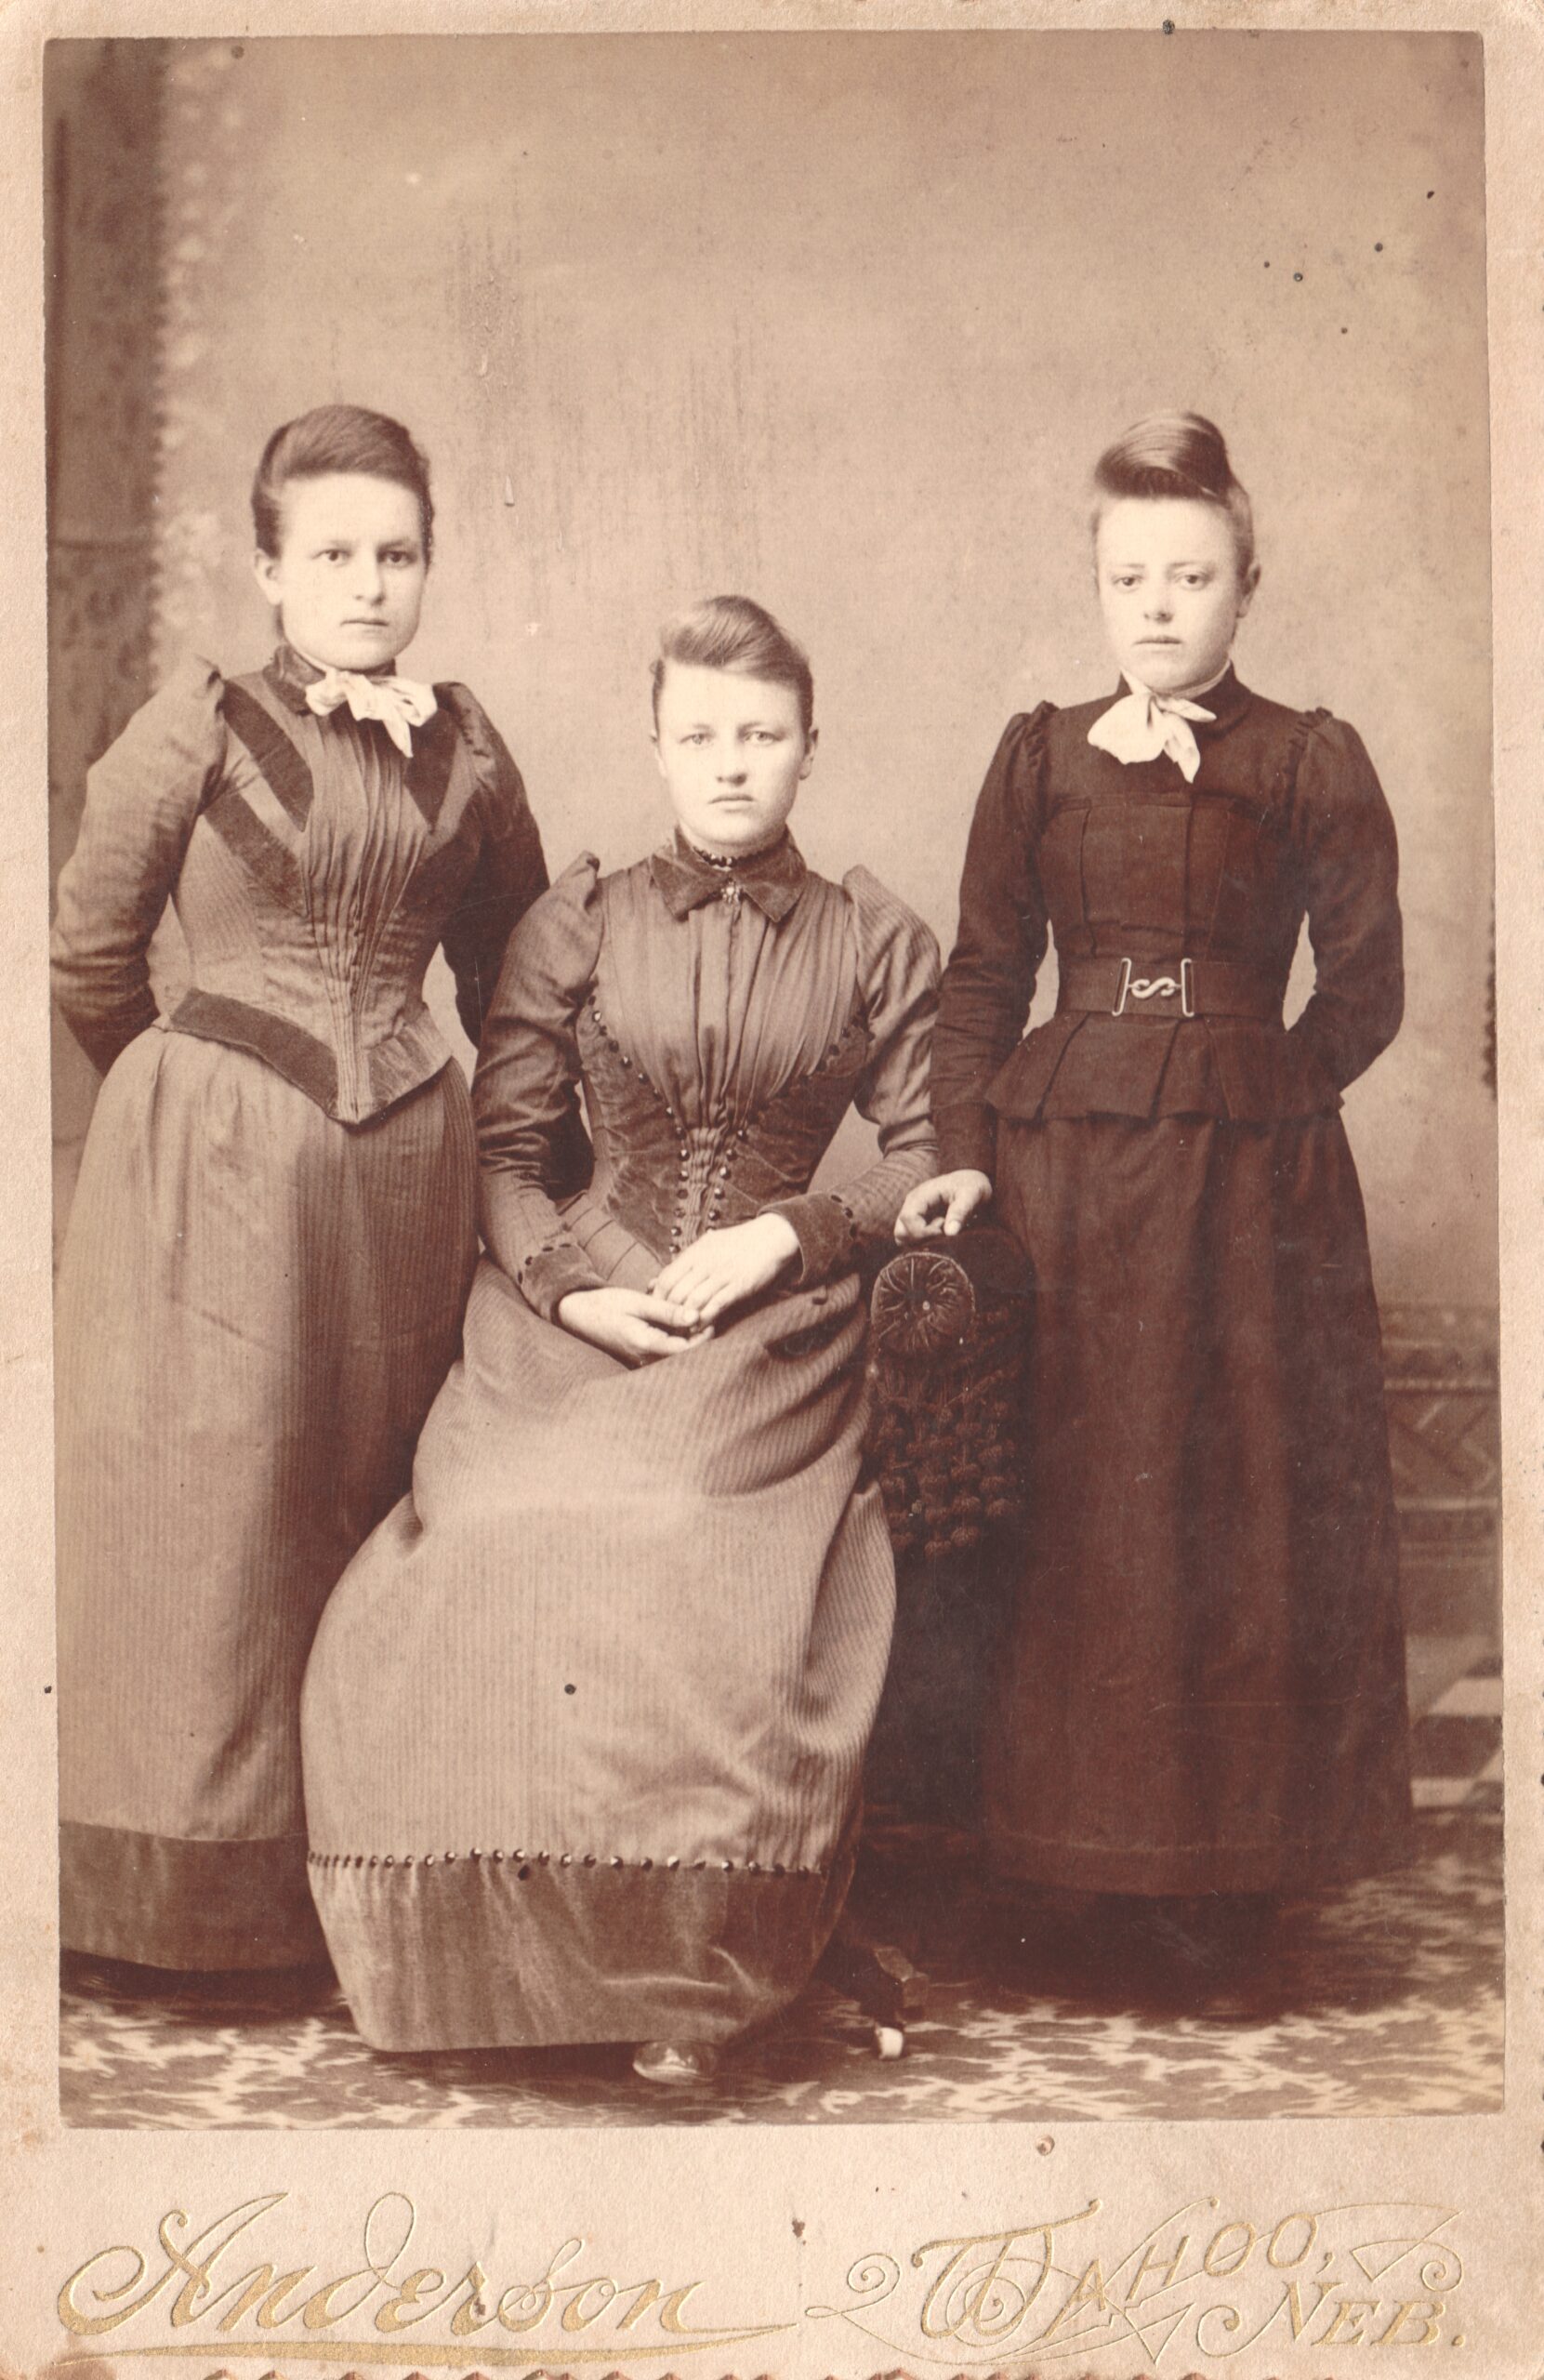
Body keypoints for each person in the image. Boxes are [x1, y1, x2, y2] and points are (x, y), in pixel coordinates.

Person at [301, 595, 940, 2079]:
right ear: (656, 746)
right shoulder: (574, 921)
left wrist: (788, 1235)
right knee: (486, 1537)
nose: (731, 764)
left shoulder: (870, 935)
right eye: (700, 736)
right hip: (567, 1316)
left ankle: (685, 1976)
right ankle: (484, 1974)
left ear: (810, 748)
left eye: (761, 736)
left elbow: (925, 1155)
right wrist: (578, 1290)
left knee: (671, 1529)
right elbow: (508, 1157)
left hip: (768, 1334)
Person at [897, 413, 1411, 1986]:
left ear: (1246, 586)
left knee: (1229, 1500)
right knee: (1080, 1501)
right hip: (1064, 1174)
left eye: (1191, 576)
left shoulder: (1306, 757)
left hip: (1246, 1195)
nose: (1159, 607)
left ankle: (1225, 1883)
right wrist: (959, 1152)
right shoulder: (1038, 756)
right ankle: (1064, 1870)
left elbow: (1366, 985)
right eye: (1130, 578)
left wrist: (1266, 1091)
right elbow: (983, 978)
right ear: (1097, 587)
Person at [53, 403, 548, 1973]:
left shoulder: (468, 749)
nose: (367, 585)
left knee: (366, 1487)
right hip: (211, 1171)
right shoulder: (195, 726)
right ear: (269, 570)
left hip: (403, 1175)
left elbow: (519, 977)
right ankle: (183, 1908)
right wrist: (185, 1091)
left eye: (396, 555)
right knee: (214, 1504)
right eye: (331, 555)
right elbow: (87, 956)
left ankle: (359, 1891)